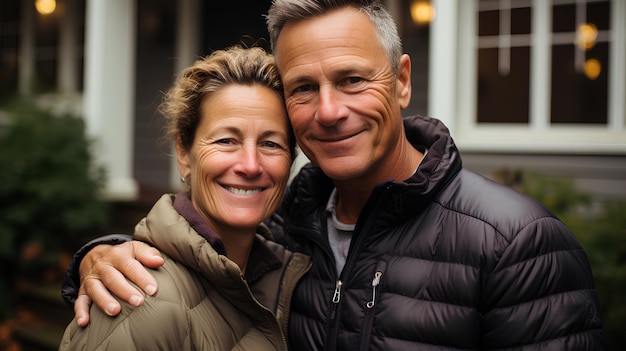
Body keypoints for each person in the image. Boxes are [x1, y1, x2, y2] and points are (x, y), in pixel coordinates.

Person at [63, 1, 607, 350]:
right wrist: (104, 253)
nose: (328, 111)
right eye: (303, 88)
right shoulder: (287, 228)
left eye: (351, 80)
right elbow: (203, 266)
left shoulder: (518, 244)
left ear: (401, 81)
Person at [58, 45, 310, 350]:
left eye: (271, 144)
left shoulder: (287, 275)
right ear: (184, 153)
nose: (250, 165)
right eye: (226, 140)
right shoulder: (137, 299)